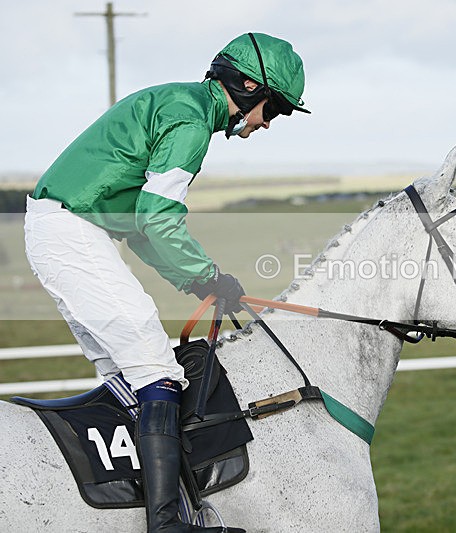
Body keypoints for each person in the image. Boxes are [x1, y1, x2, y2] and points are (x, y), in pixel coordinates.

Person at [24, 32, 309, 533]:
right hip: (72, 232)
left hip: (61, 229)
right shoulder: (190, 121)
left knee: (131, 376)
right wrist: (208, 276)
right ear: (246, 87)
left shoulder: (181, 103)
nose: (268, 123)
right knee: (157, 368)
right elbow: (157, 220)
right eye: (275, 110)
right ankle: (167, 524)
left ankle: (147, 505)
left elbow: (140, 226)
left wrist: (201, 284)